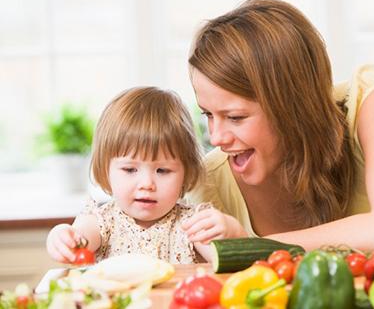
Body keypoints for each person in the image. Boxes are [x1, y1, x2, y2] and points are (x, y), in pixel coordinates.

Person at [183, 0, 374, 252]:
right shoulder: (211, 183)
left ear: (291, 105)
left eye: (235, 117)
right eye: (208, 115)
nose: (216, 138)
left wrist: (252, 246)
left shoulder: (372, 101)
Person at [46, 87, 246, 264]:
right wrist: (62, 237)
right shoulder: (103, 221)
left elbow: (226, 259)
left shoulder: (191, 224)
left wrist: (232, 232)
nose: (147, 184)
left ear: (186, 173)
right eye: (130, 170)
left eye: (162, 171)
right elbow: (79, 239)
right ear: (105, 170)